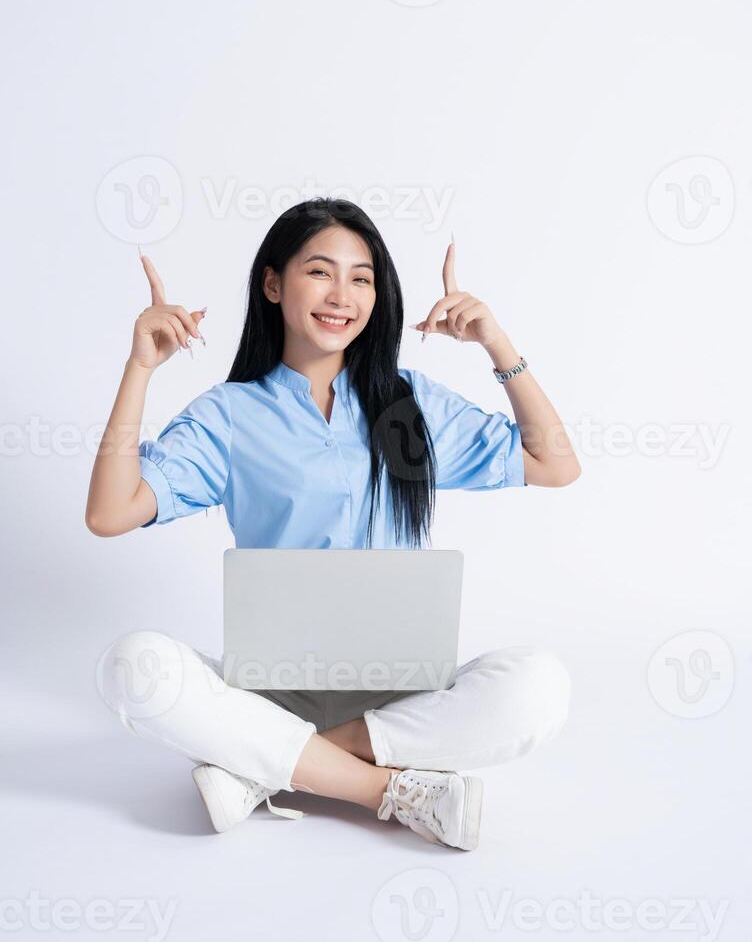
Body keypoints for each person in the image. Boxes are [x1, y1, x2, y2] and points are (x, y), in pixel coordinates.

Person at [86, 198, 581, 851]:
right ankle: (390, 791)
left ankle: (269, 767)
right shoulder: (230, 414)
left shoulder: (407, 406)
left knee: (540, 686)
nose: (342, 295)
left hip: (400, 701)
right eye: (320, 271)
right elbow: (110, 512)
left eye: (362, 277)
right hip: (266, 693)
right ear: (273, 283)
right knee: (133, 666)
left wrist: (497, 342)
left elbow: (555, 463)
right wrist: (140, 368)